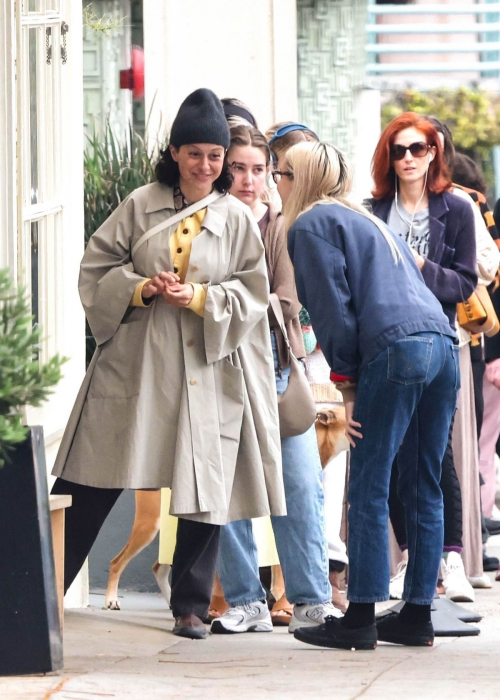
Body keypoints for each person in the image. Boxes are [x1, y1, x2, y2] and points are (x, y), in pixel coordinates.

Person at [51, 88, 286, 640]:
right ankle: (41, 589)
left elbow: (253, 293)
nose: (205, 165)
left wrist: (201, 299)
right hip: (137, 364)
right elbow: (96, 268)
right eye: (195, 153)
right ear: (175, 152)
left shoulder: (236, 218)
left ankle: (189, 606)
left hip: (207, 365)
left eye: (215, 155)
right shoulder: (139, 203)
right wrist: (140, 288)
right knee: (92, 474)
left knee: (204, 482)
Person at [283, 140, 460, 650]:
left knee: (368, 482)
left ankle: (359, 616)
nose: (278, 182)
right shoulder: (370, 221)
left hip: (396, 351)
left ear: (299, 178)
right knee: (424, 486)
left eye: (281, 173)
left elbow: (334, 313)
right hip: (440, 348)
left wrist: (349, 389)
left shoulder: (310, 225)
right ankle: (417, 616)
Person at [212, 124, 337, 635]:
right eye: (237, 168)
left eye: (258, 169)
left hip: (279, 369)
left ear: (270, 173)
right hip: (220, 372)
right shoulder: (209, 222)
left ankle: (311, 600)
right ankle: (246, 601)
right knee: (225, 490)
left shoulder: (283, 226)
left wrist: (232, 302)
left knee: (302, 486)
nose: (248, 179)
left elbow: (289, 298)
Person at [368, 112, 486, 598]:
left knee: (436, 453)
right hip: (389, 345)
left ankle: (451, 557)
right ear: (387, 157)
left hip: (442, 340)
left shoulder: (454, 209)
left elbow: (464, 282)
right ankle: (413, 557)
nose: (409, 158)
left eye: (419, 148)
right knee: (395, 450)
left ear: (435, 151)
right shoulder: (374, 210)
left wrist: (418, 264)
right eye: (399, 150)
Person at [266, 121, 349, 602]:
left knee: (332, 465)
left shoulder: (326, 221)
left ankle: (330, 572)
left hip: (325, 360)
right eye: (290, 168)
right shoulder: (274, 223)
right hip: (291, 358)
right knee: (295, 473)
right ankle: (288, 581)